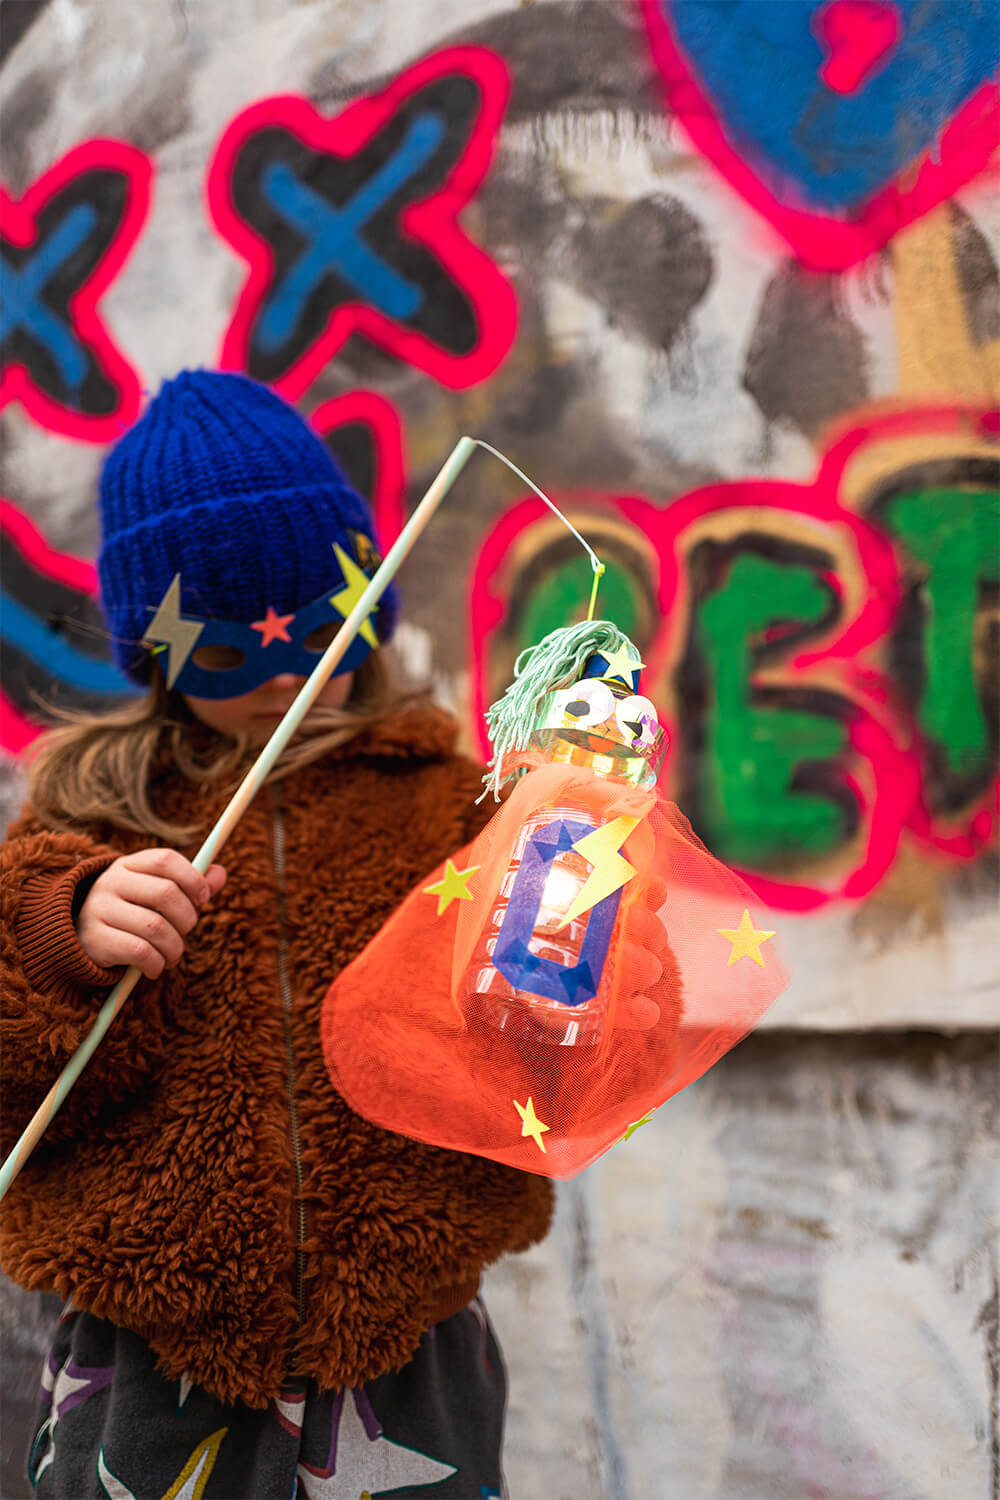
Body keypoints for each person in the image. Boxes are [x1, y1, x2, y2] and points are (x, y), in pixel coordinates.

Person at [0, 370, 553, 1498]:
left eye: (317, 631)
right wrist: (64, 935)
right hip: (150, 1356)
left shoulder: (445, 801)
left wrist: (561, 899)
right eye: (228, 649)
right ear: (155, 649)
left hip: (404, 1347)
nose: (288, 672)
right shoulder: (91, 818)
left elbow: (535, 1043)